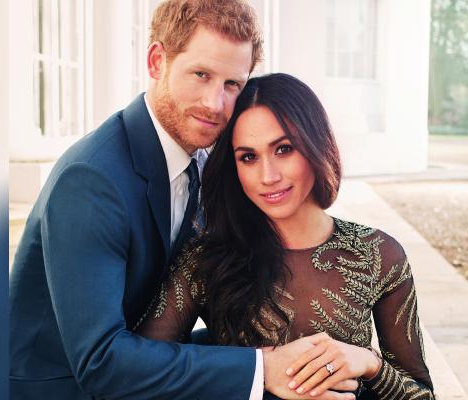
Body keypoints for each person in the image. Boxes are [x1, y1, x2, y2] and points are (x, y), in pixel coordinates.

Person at [10, 1, 356, 399]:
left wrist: (309, 347)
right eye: (201, 75)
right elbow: (101, 362)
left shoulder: (204, 159)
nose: (215, 104)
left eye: (232, 85)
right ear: (157, 62)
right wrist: (262, 369)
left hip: (143, 362)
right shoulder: (92, 180)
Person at [136, 73, 435, 400]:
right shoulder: (206, 259)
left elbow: (422, 395)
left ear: (315, 145)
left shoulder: (378, 255)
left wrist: (369, 363)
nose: (268, 176)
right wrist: (258, 371)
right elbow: (142, 370)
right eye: (248, 157)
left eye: (284, 149)